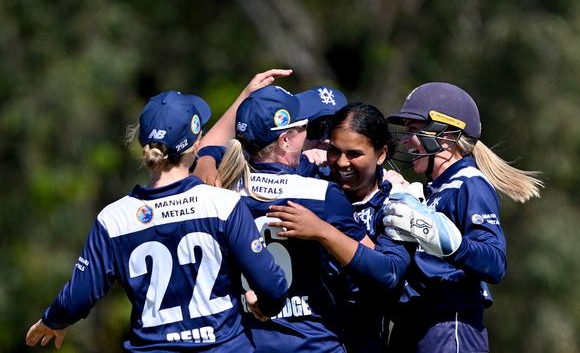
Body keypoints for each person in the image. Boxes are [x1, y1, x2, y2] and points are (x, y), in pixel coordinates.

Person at [25, 91, 288, 352]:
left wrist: (53, 320)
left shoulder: (114, 219)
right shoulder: (223, 204)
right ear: (196, 143)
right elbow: (272, 286)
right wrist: (265, 306)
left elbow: (79, 297)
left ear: (143, 145)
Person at [201, 85, 408, 352]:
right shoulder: (320, 194)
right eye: (305, 128)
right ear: (286, 140)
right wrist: (324, 231)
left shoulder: (220, 190)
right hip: (312, 342)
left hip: (248, 341)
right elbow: (385, 272)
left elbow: (208, 151)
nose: (316, 139)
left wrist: (206, 157)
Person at [381, 82, 544, 352]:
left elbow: (495, 262)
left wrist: (450, 243)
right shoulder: (431, 190)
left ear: (445, 136)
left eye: (414, 130)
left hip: (448, 326)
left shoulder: (470, 183)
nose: (406, 141)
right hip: (415, 322)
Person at [267, 102, 412, 353]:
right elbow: (248, 153)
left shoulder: (397, 202)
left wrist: (323, 231)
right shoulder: (310, 185)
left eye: (354, 154)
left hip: (363, 339)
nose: (342, 163)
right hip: (304, 336)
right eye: (334, 151)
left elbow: (390, 274)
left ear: (381, 154)